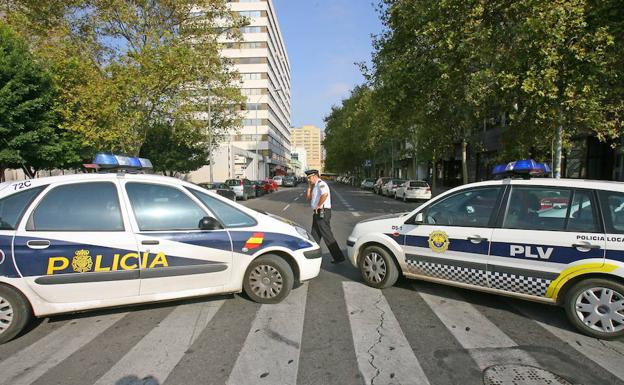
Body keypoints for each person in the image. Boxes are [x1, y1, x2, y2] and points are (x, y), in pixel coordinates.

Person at [305, 169, 345, 264]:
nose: (309, 180)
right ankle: (312, 257)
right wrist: (309, 186)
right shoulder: (314, 186)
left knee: (327, 235)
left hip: (322, 212)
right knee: (314, 236)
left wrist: (319, 205)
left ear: (314, 176)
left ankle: (338, 257)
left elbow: (325, 194)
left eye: (309, 178)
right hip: (317, 214)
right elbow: (308, 198)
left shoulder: (321, 184)